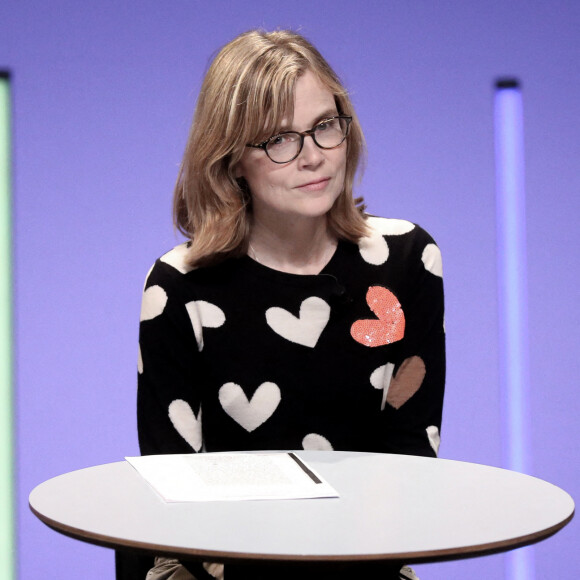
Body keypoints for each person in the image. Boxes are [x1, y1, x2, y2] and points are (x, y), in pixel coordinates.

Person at [137, 29, 445, 580]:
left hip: (362, 562)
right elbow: (176, 486)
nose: (314, 157)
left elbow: (411, 467)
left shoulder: (407, 260)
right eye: (280, 139)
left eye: (325, 126)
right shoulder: (179, 284)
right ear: (231, 160)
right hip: (216, 566)